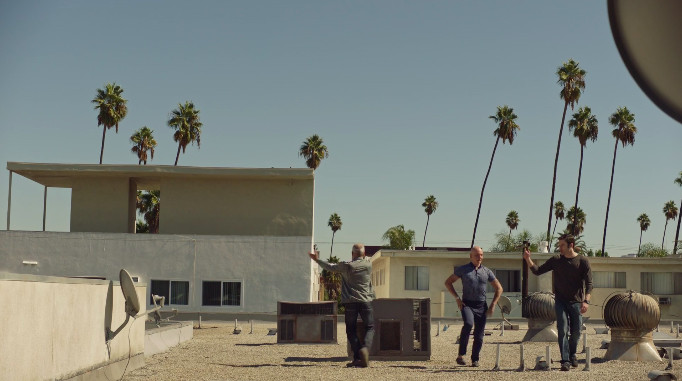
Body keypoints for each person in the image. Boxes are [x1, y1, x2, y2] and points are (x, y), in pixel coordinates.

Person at [523, 233, 593, 371]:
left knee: (576, 331)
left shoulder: (582, 261)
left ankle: (572, 354)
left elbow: (589, 284)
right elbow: (537, 271)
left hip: (577, 302)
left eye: (562, 245)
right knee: (562, 329)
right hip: (560, 301)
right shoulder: (556, 260)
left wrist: (586, 301)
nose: (559, 248)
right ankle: (565, 360)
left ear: (570, 245)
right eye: (559, 245)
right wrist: (528, 259)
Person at [309, 243, 375, 368]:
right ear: (364, 254)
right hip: (366, 301)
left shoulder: (347, 266)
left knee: (351, 330)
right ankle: (365, 349)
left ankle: (357, 358)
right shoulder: (368, 265)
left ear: (352, 254)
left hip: (350, 302)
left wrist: (317, 259)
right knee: (370, 327)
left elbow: (330, 266)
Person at [444, 246, 503, 367]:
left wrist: (493, 304)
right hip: (467, 304)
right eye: (476, 255)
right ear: (471, 256)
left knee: (479, 335)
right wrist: (457, 298)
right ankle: (461, 355)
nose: (479, 257)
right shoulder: (463, 269)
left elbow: (499, 288)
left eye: (481, 255)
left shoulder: (487, 271)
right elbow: (448, 282)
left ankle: (475, 359)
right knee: (469, 324)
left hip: (481, 306)